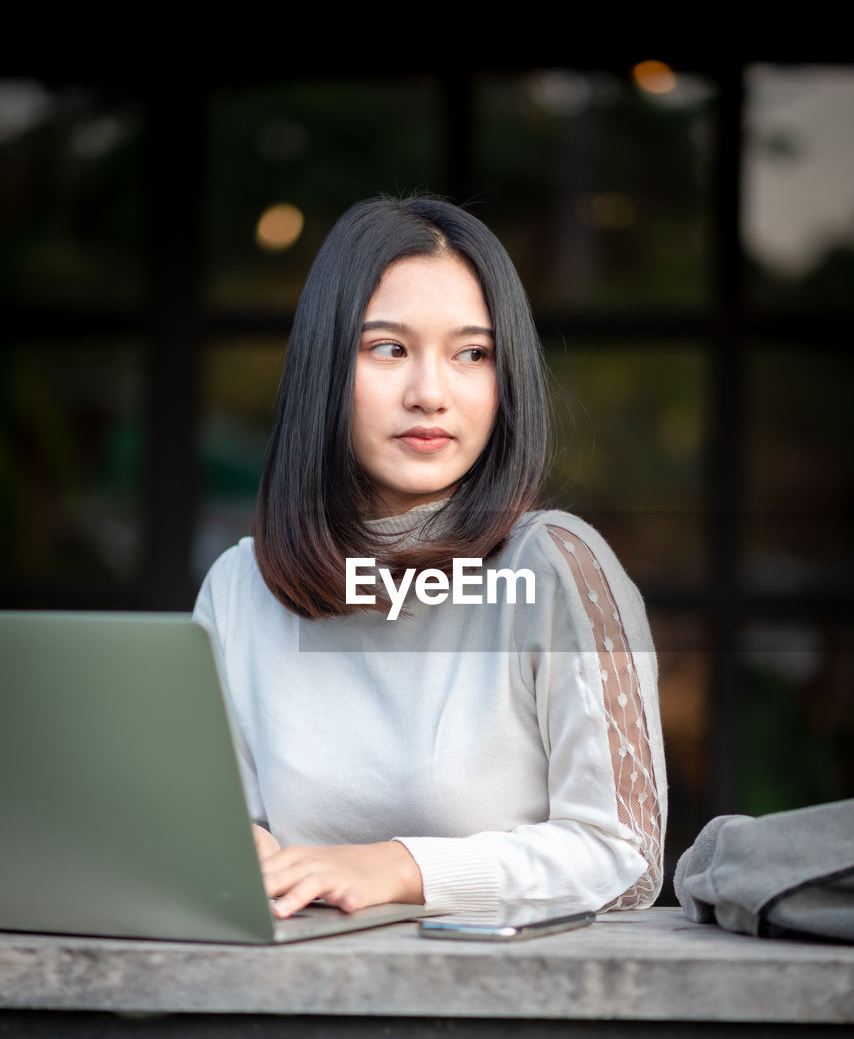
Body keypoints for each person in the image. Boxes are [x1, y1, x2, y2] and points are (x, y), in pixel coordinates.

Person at [193, 195, 666, 920]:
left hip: (499, 1009)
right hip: (285, 995)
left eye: (472, 354)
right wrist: (229, 845)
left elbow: (627, 859)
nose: (430, 394)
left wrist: (401, 866)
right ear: (325, 366)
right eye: (389, 349)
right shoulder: (240, 587)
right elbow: (216, 832)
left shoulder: (552, 568)